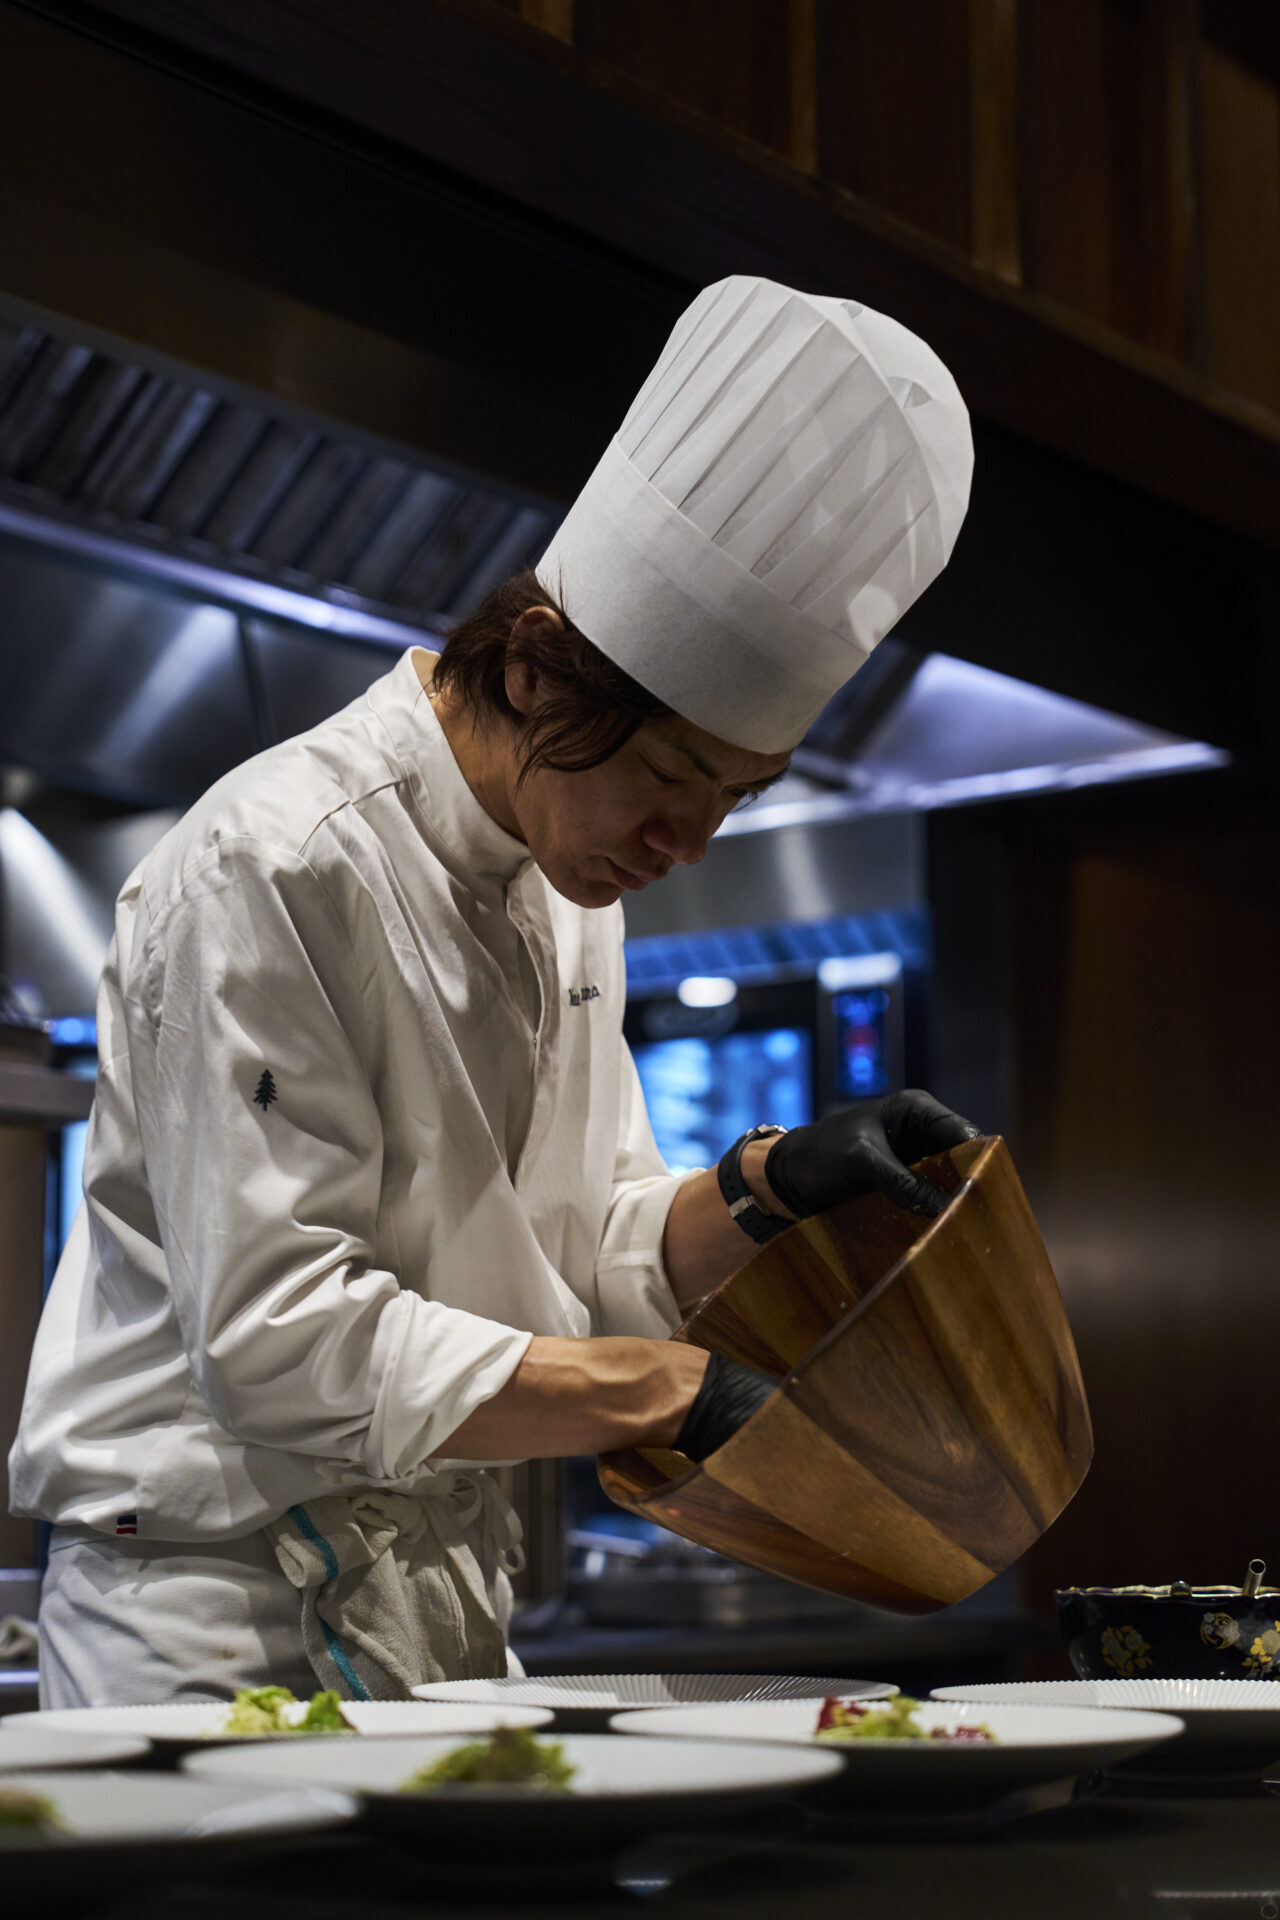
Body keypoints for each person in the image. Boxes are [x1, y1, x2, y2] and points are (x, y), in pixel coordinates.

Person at [10, 277, 978, 1707]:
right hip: (213, 1622)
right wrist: (665, 1395)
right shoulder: (276, 865)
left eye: (735, 797)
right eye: (667, 778)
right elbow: (280, 1340)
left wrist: (772, 1190)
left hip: (445, 1603)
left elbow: (592, 1258)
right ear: (533, 669)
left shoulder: (562, 882)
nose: (687, 846)